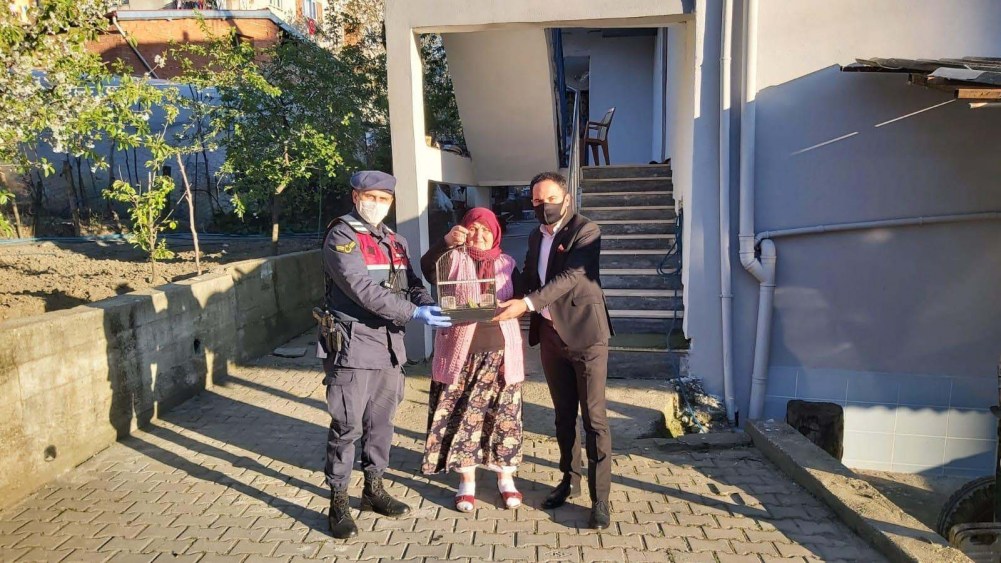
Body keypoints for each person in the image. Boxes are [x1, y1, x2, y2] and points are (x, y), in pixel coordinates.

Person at [318, 170, 452, 539]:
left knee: (382, 423)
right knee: (348, 426)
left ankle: (373, 489)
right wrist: (413, 313)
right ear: (355, 196)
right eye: (370, 197)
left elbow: (411, 282)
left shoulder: (395, 240)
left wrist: (427, 302)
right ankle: (338, 501)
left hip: (390, 347)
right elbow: (360, 288)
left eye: (384, 199)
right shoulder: (342, 235)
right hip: (354, 346)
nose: (377, 204)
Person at [493, 171, 614, 529]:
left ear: (566, 198)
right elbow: (530, 276)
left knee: (594, 419)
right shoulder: (535, 235)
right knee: (563, 416)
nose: (542, 206)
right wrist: (498, 274)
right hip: (549, 336)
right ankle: (569, 479)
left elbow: (571, 277)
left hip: (586, 336)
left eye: (549, 199)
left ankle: (600, 498)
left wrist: (527, 303)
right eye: (536, 200)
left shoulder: (587, 230)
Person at [419, 208, 525, 513]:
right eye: (473, 228)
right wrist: (445, 242)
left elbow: (522, 299)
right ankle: (467, 483)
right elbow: (427, 269)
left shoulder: (507, 263)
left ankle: (506, 479)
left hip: (502, 356)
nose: (480, 235)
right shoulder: (452, 258)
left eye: (486, 230)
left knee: (504, 419)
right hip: (461, 356)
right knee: (464, 419)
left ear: (496, 233)